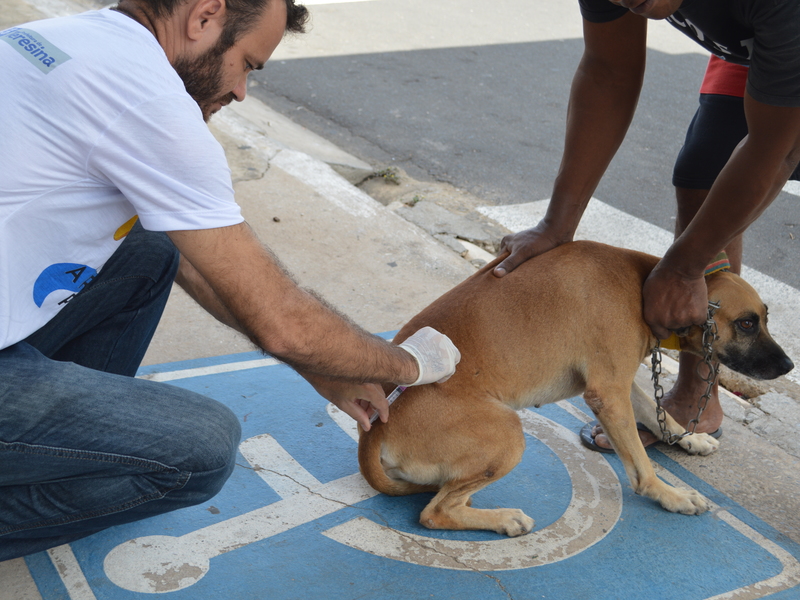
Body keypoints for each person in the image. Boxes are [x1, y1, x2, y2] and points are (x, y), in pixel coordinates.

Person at [0, 0, 460, 559]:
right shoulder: (150, 103)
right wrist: (409, 365)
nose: (242, 91)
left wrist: (322, 366)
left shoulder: (67, 38)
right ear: (204, 16)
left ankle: (49, 451)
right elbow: (283, 323)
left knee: (149, 247)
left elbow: (202, 261)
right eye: (247, 64)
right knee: (202, 449)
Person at [492, 0, 800, 451]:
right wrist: (557, 224)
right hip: (757, 49)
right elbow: (607, 73)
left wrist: (681, 269)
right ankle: (698, 395)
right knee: (703, 181)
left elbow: (780, 148)